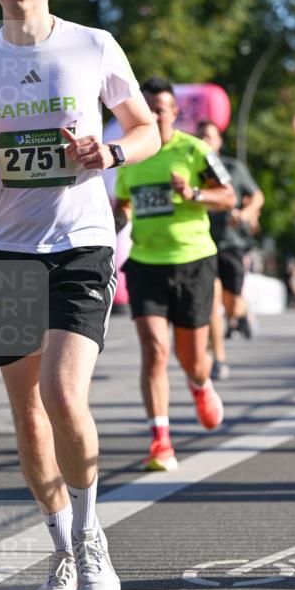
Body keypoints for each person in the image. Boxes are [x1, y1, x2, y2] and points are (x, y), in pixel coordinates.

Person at [0, 0, 160, 590]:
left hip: (80, 245)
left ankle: (93, 539)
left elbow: (146, 128)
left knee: (64, 396)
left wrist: (111, 154)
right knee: (27, 415)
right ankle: (61, 552)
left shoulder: (92, 45)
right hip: (6, 251)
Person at [115, 78, 235, 471]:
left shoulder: (194, 150)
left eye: (158, 109)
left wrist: (195, 195)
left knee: (192, 359)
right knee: (154, 350)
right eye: (144, 107)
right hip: (146, 262)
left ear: (173, 113)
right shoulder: (130, 157)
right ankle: (161, 443)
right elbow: (123, 208)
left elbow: (228, 197)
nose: (151, 114)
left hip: (193, 262)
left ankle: (200, 384)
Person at [197, 120, 264, 379]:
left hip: (232, 243)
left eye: (210, 136)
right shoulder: (193, 170)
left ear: (219, 141)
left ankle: (244, 313)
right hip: (203, 241)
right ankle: (219, 359)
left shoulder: (234, 168)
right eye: (201, 136)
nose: (205, 141)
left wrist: (246, 213)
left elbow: (258, 196)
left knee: (232, 305)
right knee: (211, 301)